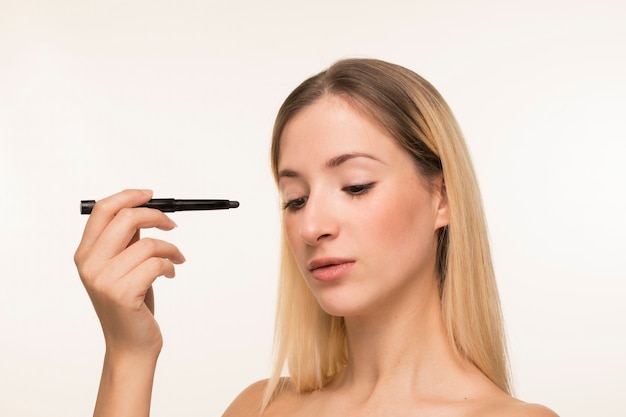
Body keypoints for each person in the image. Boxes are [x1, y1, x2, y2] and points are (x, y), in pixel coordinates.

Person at [75, 58, 558, 417]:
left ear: (443, 198)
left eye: (355, 186)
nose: (311, 227)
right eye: (295, 199)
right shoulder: (258, 409)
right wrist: (129, 354)